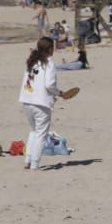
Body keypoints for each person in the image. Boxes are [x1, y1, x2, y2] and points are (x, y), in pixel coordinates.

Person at [18, 37, 77, 172]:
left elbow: (33, 82)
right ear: (50, 48)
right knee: (41, 134)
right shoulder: (49, 63)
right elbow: (49, 84)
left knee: (34, 131)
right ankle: (34, 164)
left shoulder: (32, 61)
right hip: (40, 103)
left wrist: (53, 95)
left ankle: (27, 160)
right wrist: (59, 93)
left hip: (27, 100)